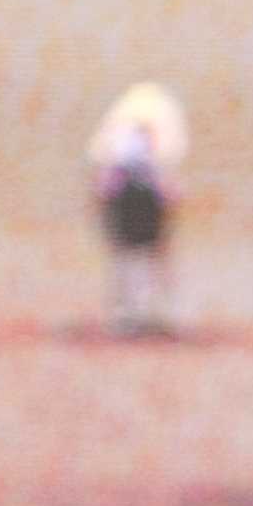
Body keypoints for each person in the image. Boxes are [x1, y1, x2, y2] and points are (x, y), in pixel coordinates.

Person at [85, 81, 187, 337]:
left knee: (136, 257)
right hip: (136, 200)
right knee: (137, 257)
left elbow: (103, 181)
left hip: (135, 200)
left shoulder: (121, 141)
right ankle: (136, 312)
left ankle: (139, 312)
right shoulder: (144, 143)